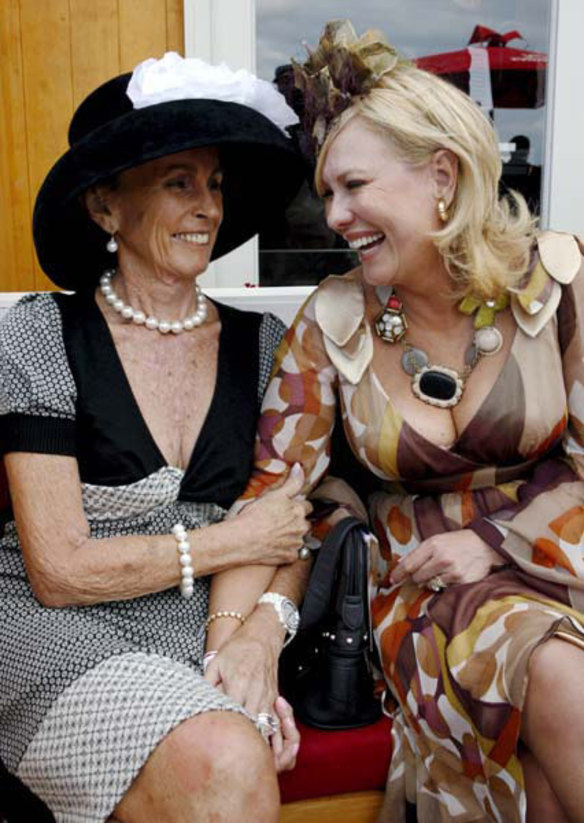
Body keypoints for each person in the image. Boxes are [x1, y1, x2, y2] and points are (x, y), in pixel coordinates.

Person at [204, 20, 584, 823]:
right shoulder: (332, 318)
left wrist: (494, 541)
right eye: (327, 192)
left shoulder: (558, 288)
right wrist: (244, 638)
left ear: (441, 175)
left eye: (354, 186)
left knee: (552, 746)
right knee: (556, 675)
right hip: (422, 586)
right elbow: (275, 494)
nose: (334, 215)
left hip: (566, 557)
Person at [0, 51, 312, 823]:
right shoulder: (41, 333)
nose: (207, 206)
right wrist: (228, 541)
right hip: (55, 632)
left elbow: (290, 529)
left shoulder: (265, 342)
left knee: (228, 747)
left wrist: (258, 639)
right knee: (227, 755)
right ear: (106, 207)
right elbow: (60, 570)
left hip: (210, 622)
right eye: (179, 182)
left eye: (215, 184)